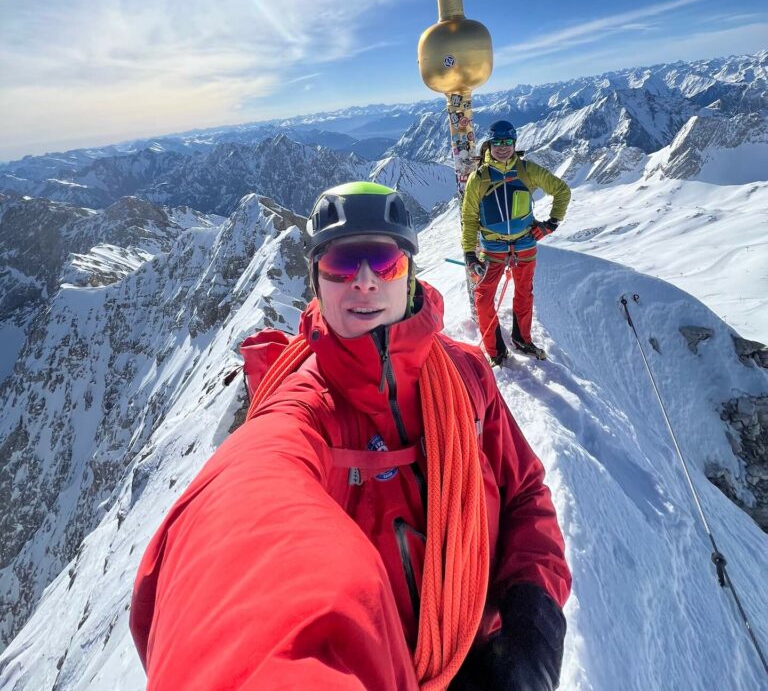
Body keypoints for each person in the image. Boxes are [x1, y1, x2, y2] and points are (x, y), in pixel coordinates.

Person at [130, 181, 571, 691]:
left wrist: (534, 616)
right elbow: (251, 498)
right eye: (342, 265)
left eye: (384, 262)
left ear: (409, 276)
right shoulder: (304, 408)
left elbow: (525, 492)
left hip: (486, 653)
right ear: (316, 281)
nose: (364, 281)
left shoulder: (467, 375)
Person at [462, 121, 571, 363]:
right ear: (489, 144)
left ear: (514, 144)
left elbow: (562, 190)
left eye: (507, 142)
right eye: (498, 143)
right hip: (492, 247)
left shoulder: (527, 170)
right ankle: (495, 350)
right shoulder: (478, 178)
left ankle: (522, 339)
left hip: (525, 243)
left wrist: (551, 224)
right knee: (483, 297)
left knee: (524, 293)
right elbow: (469, 218)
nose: (503, 148)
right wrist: (470, 253)